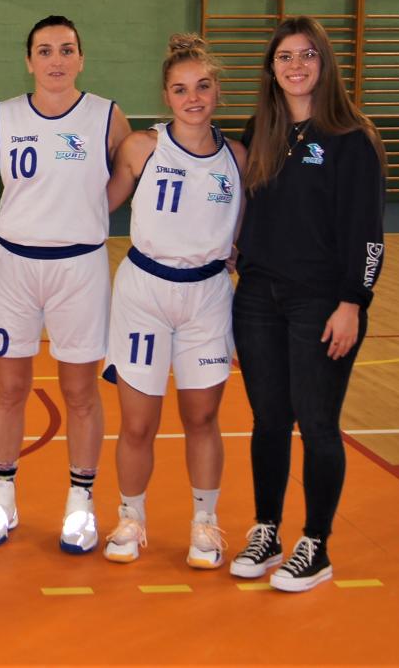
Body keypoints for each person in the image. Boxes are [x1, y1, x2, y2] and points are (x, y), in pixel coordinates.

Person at [228, 16, 386, 592]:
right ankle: (266, 531)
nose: (296, 66)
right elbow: (251, 208)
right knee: (269, 420)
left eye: (307, 55)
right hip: (257, 298)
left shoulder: (352, 137)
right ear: (271, 69)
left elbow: (368, 234)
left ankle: (315, 544)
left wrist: (353, 302)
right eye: (285, 57)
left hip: (321, 301)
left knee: (318, 423)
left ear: (325, 62)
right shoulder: (262, 129)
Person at [0, 15, 132, 553]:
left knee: (80, 391)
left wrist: (92, 214)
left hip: (79, 267)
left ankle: (80, 503)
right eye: (44, 50)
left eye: (66, 49)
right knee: (9, 388)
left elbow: (131, 174)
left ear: (81, 58)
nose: (55, 60)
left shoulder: (106, 116)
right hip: (13, 265)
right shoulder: (6, 115)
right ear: (29, 60)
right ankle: (2, 497)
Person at [100, 35, 245, 568]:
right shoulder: (143, 148)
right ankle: (130, 517)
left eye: (203, 86)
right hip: (145, 292)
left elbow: (241, 234)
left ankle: (205, 524)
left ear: (218, 91)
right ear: (166, 96)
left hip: (208, 296)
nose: (193, 98)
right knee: (138, 423)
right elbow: (94, 208)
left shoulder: (238, 158)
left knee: (202, 418)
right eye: (181, 89)